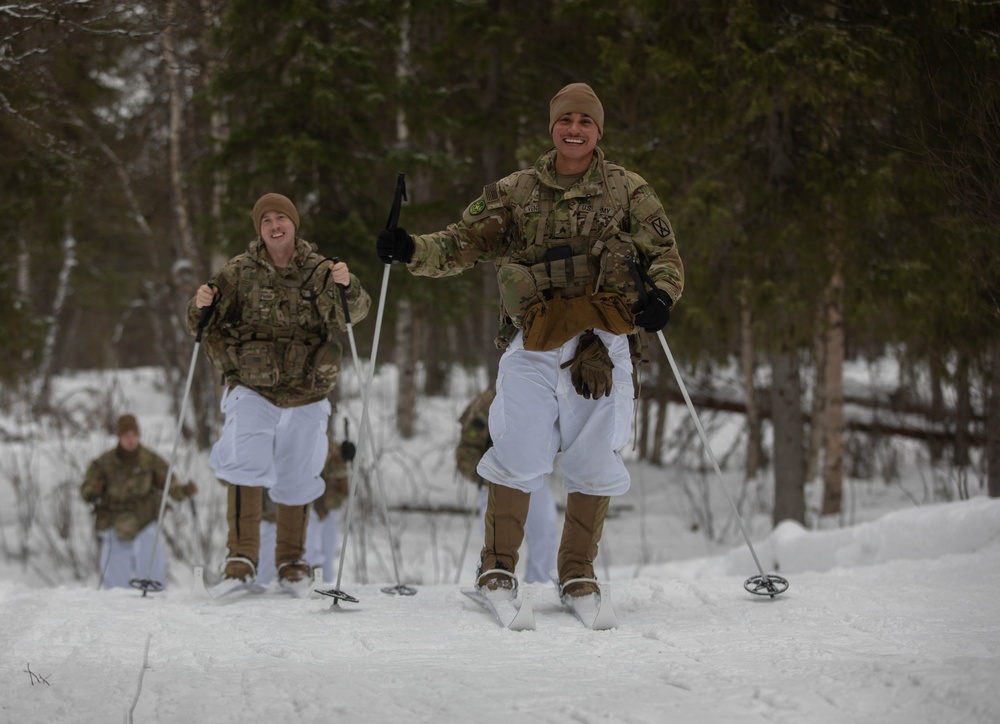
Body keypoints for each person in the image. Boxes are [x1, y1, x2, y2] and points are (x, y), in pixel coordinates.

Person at [377, 83, 683, 599]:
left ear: (598, 131)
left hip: (603, 341)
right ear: (552, 127)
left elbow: (665, 256)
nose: (575, 129)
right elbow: (462, 243)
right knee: (517, 447)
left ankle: (577, 571)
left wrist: (663, 297)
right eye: (566, 120)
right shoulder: (515, 191)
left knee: (593, 456)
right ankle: (497, 567)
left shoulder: (627, 189)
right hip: (534, 336)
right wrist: (410, 248)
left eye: (585, 122)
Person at [187, 192, 371, 594]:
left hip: (307, 387)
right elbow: (201, 322)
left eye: (281, 218)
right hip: (253, 385)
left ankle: (291, 560)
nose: (274, 225)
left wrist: (348, 285)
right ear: (260, 229)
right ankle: (241, 558)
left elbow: (352, 315)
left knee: (299, 469)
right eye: (266, 219)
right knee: (243, 459)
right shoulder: (237, 272)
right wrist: (199, 304)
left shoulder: (321, 270)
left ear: (293, 223)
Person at [80, 413, 197, 589]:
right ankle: (116, 600)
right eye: (127, 436)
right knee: (114, 568)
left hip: (145, 517)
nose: (131, 440)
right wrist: (93, 490)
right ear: (119, 436)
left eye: (134, 435)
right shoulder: (103, 463)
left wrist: (182, 491)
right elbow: (85, 490)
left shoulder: (150, 459)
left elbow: (169, 485)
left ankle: (154, 595)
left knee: (151, 554)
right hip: (114, 518)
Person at [456, 387, 558, 584]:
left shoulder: (541, 394)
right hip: (496, 482)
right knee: (494, 542)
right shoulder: (488, 403)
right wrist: (485, 477)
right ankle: (493, 582)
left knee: (545, 531)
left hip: (532, 479)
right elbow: (466, 452)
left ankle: (538, 584)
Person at [304, 432, 354, 584]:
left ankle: (324, 582)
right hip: (311, 504)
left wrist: (347, 454)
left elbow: (344, 481)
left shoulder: (333, 446)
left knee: (328, 547)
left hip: (330, 505)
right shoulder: (309, 438)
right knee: (310, 545)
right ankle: (309, 579)